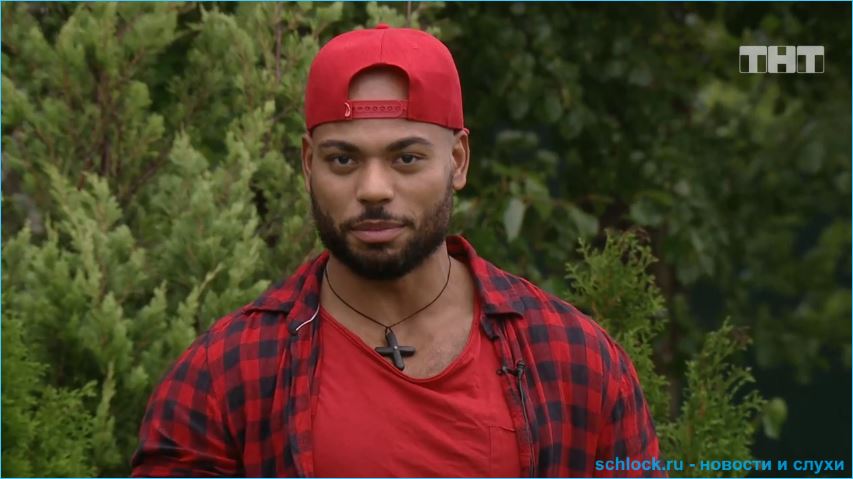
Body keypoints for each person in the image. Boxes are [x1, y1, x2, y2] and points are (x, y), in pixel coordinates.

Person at [132, 24, 664, 478]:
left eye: (406, 158)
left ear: (458, 161)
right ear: (308, 164)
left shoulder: (576, 359)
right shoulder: (226, 376)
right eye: (343, 160)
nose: (373, 189)